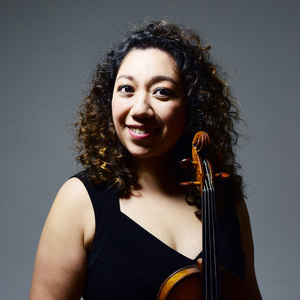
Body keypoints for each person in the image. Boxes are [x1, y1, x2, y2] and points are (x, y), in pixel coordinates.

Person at [29, 20, 262, 300]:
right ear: (108, 99)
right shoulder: (80, 200)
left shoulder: (225, 198)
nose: (140, 109)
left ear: (192, 105)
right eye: (127, 89)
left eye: (162, 92)